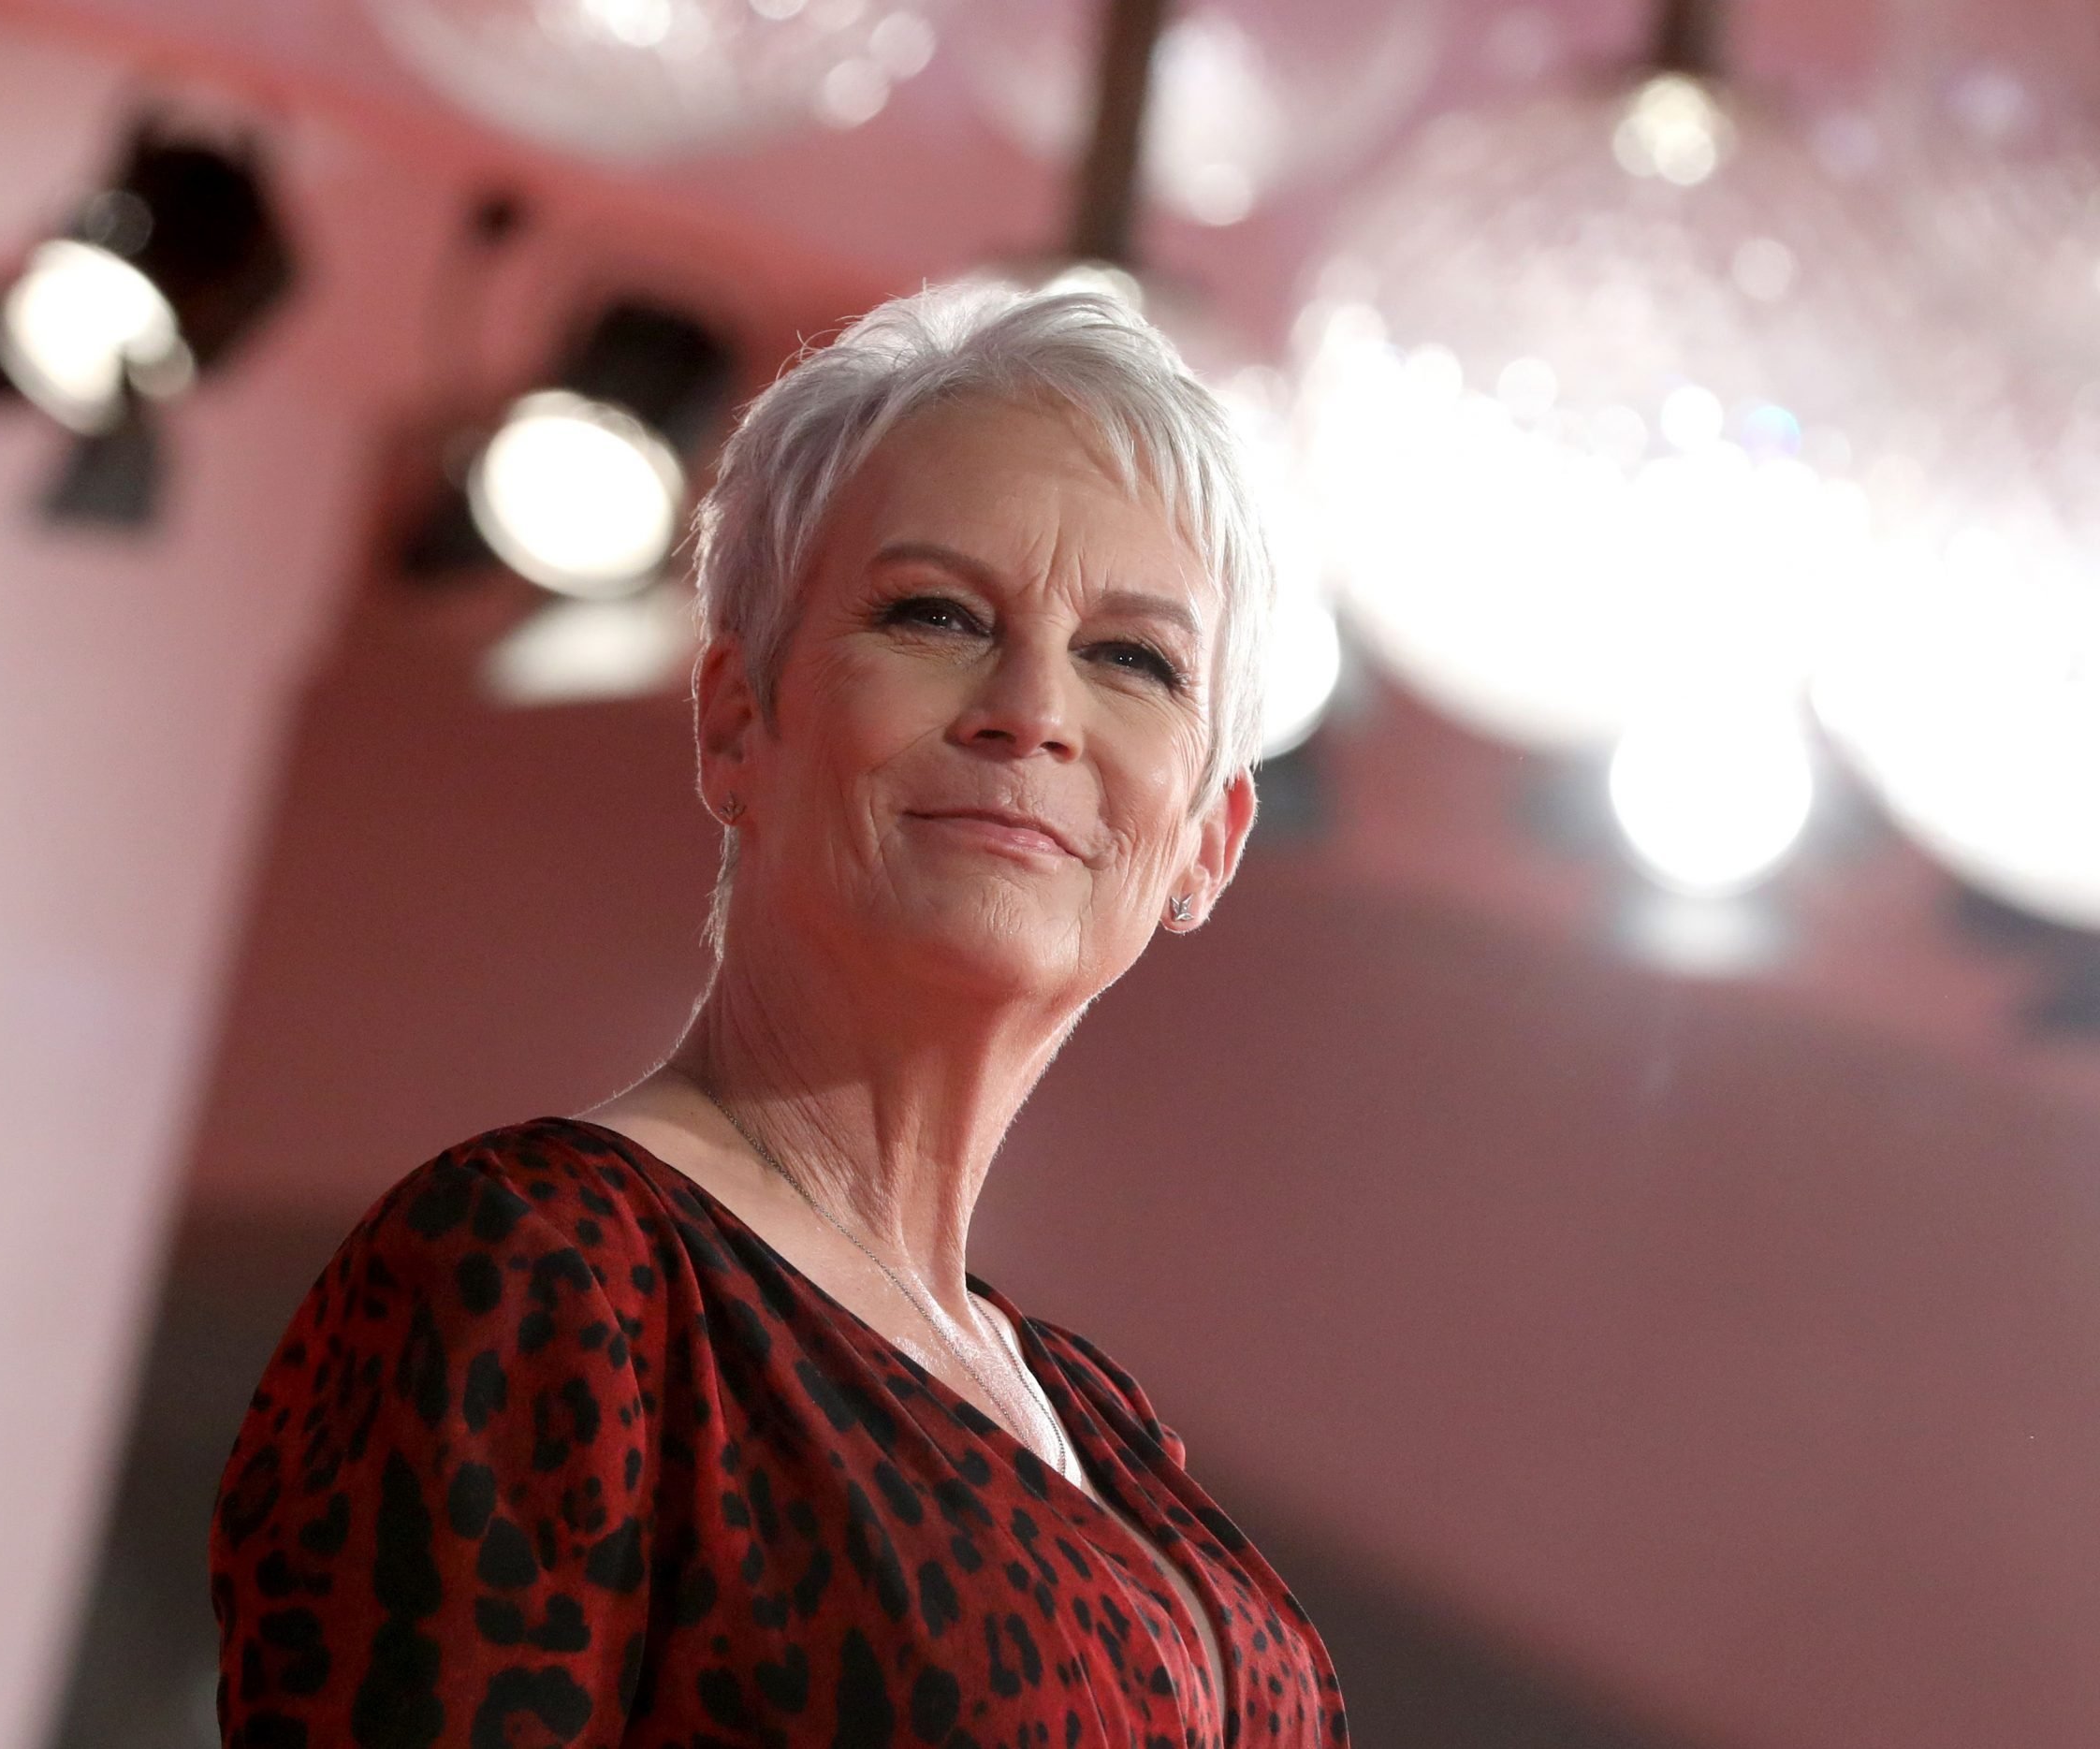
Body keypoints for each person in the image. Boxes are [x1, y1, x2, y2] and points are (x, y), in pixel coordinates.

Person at [209, 283, 1348, 1748]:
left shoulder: (1100, 1420)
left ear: (1209, 836)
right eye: (936, 614)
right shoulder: (553, 1270)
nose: (1031, 709)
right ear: (737, 719)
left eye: (1133, 658)